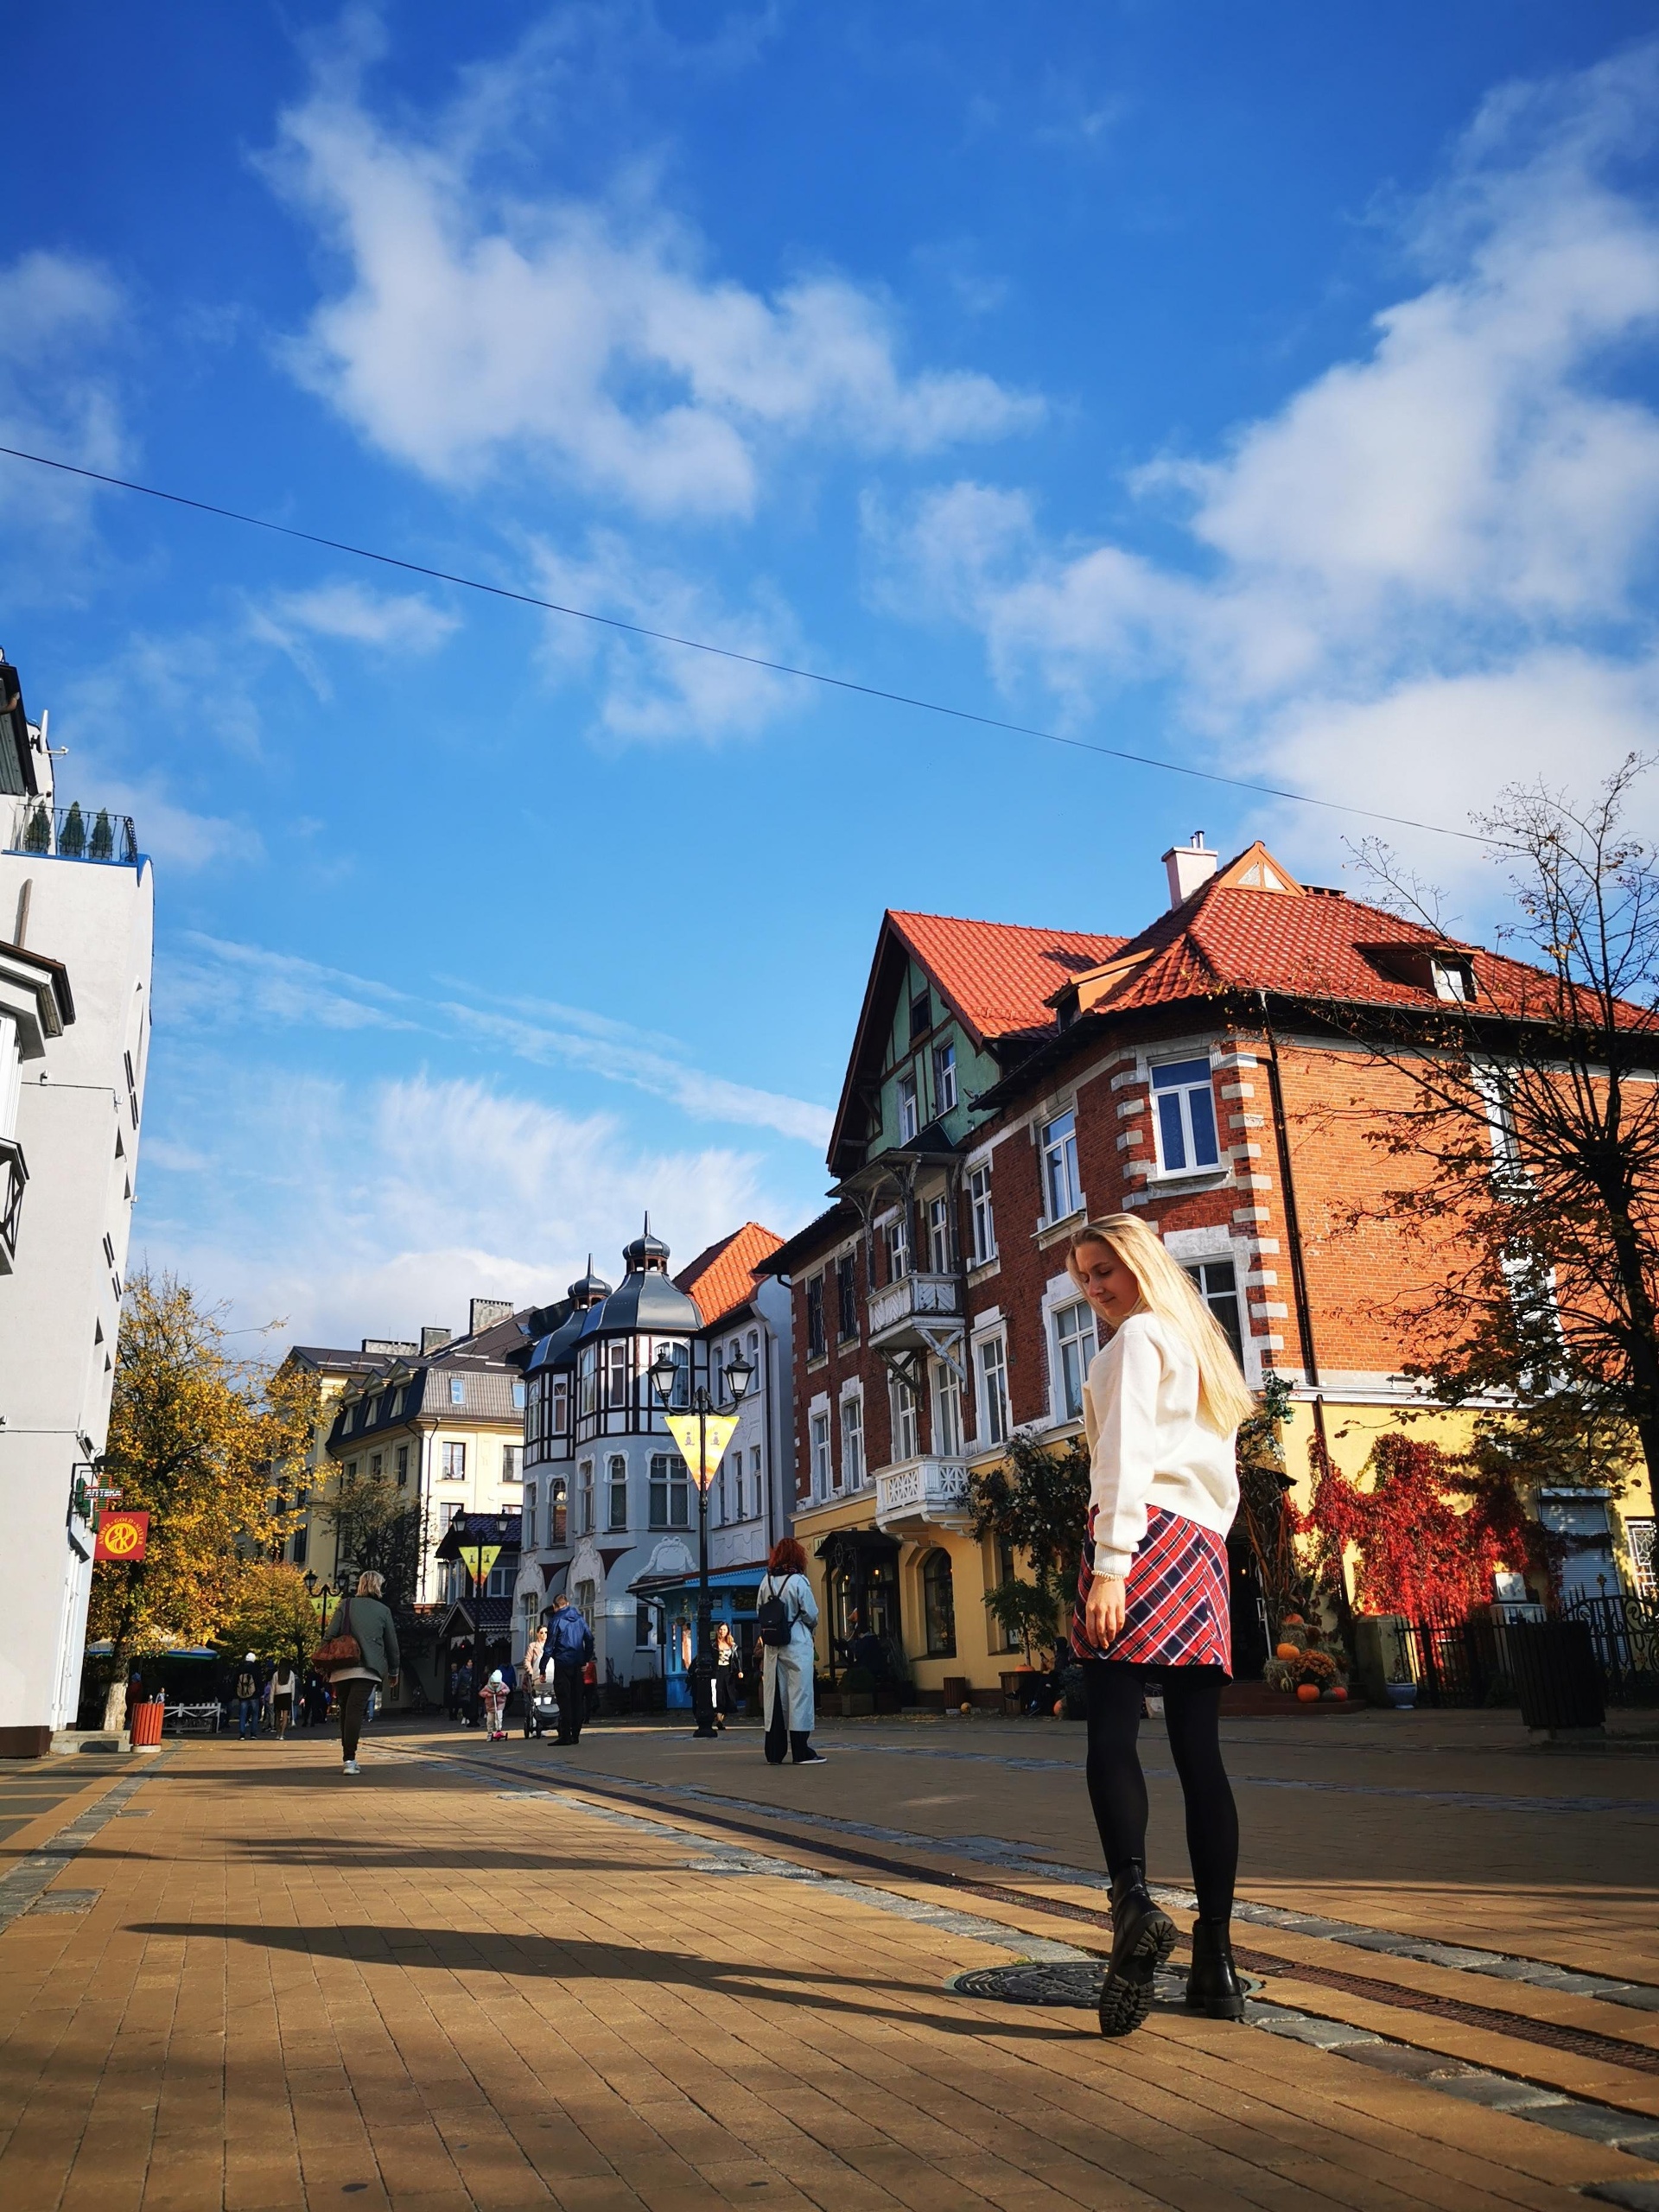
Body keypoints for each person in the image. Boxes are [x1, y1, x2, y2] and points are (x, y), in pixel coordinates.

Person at [1065, 1214, 1255, 2038]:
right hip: (1203, 1549)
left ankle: (1131, 1904)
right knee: (1199, 1757)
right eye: (1083, 1276)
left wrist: (1112, 1563)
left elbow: (1124, 1457)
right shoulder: (1202, 1348)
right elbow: (1223, 1480)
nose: (1094, 1288)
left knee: (1110, 1732)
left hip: (1138, 1535)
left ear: (1139, 1263)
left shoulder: (1138, 1341)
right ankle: (1216, 1964)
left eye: (1104, 1269)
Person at [321, 1568, 401, 1777]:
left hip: (342, 1667)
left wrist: (322, 1660)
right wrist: (394, 1671)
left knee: (346, 1710)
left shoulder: (346, 1605)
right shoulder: (383, 1611)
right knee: (355, 1709)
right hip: (368, 1667)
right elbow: (392, 1645)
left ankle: (348, 1757)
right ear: (378, 1586)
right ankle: (350, 1759)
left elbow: (330, 1635)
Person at [758, 1538, 823, 1765]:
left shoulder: (766, 1581)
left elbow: (759, 1610)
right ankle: (801, 1750)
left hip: (773, 1646)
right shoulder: (798, 1581)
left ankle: (774, 1752)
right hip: (796, 1643)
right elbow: (811, 1614)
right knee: (799, 1696)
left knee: (774, 1697)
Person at [543, 1594, 594, 1745]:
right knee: (577, 1699)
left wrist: (542, 1668)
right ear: (568, 1603)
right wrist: (586, 1658)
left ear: (555, 1606)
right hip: (578, 1665)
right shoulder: (579, 1619)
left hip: (562, 1664)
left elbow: (549, 1646)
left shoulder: (556, 1621)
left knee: (564, 1699)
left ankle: (565, 1735)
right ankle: (576, 1734)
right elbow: (590, 1639)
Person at [712, 1622, 739, 1732]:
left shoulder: (732, 1645)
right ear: (718, 1631)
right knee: (719, 1695)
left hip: (729, 1672)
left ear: (728, 1631)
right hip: (718, 1672)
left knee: (729, 1696)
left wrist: (739, 1671)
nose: (722, 1632)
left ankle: (720, 1718)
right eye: (721, 1630)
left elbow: (736, 1659)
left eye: (725, 1630)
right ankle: (719, 1720)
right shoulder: (714, 1644)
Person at [521, 1629, 547, 1738]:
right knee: (534, 1701)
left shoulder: (551, 1645)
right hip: (534, 1677)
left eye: (546, 1633)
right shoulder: (533, 1646)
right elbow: (527, 1660)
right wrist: (531, 1672)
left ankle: (547, 1722)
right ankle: (535, 1724)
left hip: (548, 1677)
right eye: (541, 1632)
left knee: (547, 1700)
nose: (544, 1635)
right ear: (537, 1634)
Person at [232, 1655, 261, 1739]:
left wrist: (236, 1692)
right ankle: (253, 1733)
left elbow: (235, 1681)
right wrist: (259, 1692)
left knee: (242, 1714)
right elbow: (259, 1681)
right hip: (254, 1695)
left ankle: (242, 1734)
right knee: (255, 1714)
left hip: (242, 1694)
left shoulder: (239, 1668)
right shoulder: (255, 1668)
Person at [268, 1659, 298, 1739]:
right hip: (287, 1695)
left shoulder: (276, 1674)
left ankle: (277, 1734)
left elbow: (273, 1687)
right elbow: (293, 1686)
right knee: (285, 1716)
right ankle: (282, 1734)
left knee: (277, 1716)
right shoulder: (290, 1673)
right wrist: (292, 1697)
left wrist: (271, 1699)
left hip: (278, 1695)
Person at [480, 1668, 510, 1739]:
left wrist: (502, 1692)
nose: (495, 1685)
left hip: (499, 1705)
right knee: (490, 1720)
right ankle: (490, 1732)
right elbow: (481, 1693)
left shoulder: (502, 1685)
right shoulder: (488, 1687)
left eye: (497, 1683)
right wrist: (488, 1694)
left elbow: (507, 1690)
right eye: (494, 1683)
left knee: (499, 1718)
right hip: (490, 1706)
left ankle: (498, 1729)